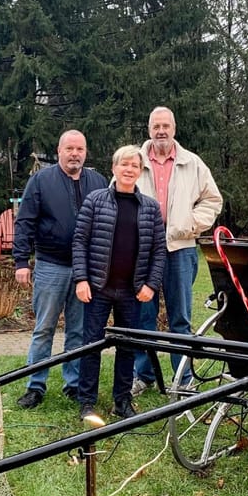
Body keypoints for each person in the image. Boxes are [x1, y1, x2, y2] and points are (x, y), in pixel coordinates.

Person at [13, 130, 109, 408]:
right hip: (51, 266)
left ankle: (74, 384)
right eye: (70, 148)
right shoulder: (41, 181)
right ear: (59, 151)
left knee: (78, 331)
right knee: (44, 328)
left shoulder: (98, 182)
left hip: (86, 273)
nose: (75, 154)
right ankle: (35, 386)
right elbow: (25, 222)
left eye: (80, 149)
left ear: (85, 152)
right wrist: (21, 261)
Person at [131, 106, 223, 396]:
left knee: (179, 318)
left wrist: (191, 225)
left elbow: (212, 200)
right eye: (156, 126)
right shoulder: (133, 161)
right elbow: (116, 197)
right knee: (143, 317)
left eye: (166, 126)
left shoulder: (192, 163)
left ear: (174, 129)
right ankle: (143, 375)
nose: (161, 131)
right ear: (149, 129)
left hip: (179, 248)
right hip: (141, 251)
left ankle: (182, 379)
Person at [72, 145, 166, 426]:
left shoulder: (150, 207)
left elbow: (159, 251)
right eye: (124, 164)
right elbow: (79, 241)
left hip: (133, 291)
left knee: (127, 346)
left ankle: (122, 400)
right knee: (90, 345)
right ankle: (86, 401)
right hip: (98, 288)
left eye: (134, 166)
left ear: (140, 171)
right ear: (114, 168)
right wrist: (81, 278)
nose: (128, 170)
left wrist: (151, 283)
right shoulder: (95, 201)